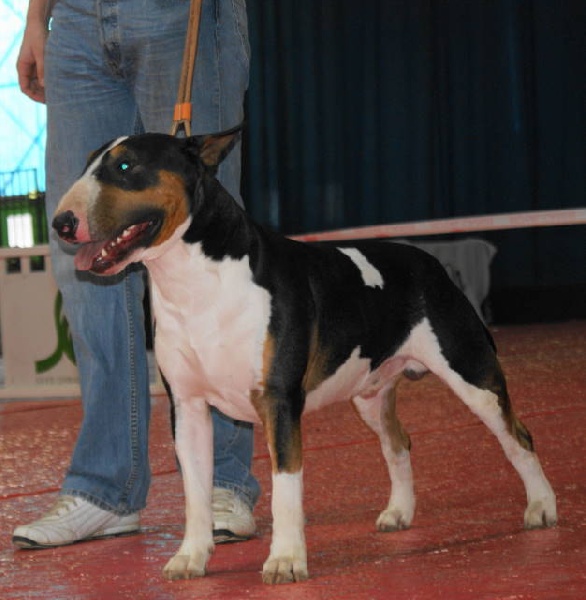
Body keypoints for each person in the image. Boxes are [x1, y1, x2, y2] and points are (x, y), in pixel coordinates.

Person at [13, 0, 260, 548]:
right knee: (83, 243)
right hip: (75, 19)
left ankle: (223, 482)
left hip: (178, 12)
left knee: (206, 236)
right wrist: (35, 19)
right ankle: (106, 489)